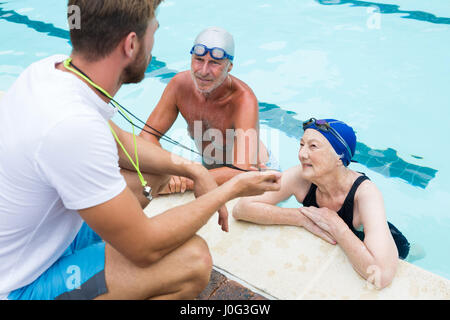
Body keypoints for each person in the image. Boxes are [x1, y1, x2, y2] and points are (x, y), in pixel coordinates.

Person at [0, 0, 282, 300]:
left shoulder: (52, 70)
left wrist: (192, 169)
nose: (204, 70)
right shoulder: (73, 128)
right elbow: (145, 248)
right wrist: (227, 190)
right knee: (193, 260)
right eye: (153, 32)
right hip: (20, 283)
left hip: (42, 241)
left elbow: (123, 141)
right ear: (131, 44)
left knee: (154, 170)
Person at [233, 118, 411, 289]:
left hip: (387, 243)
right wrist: (300, 217)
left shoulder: (366, 194)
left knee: (413, 257)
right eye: (302, 144)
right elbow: (241, 208)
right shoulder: (301, 176)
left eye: (313, 147)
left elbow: (381, 275)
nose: (302, 154)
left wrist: (336, 226)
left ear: (339, 158)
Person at [140, 26, 279, 195]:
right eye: (199, 59)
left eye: (214, 63)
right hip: (209, 166)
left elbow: (240, 172)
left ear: (229, 67)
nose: (203, 71)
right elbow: (147, 135)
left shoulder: (243, 101)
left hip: (254, 172)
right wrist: (168, 170)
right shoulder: (179, 86)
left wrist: (183, 180)